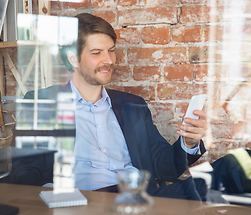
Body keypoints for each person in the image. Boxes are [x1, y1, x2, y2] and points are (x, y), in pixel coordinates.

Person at [24, 13, 208, 200]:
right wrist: (58, 195)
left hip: (143, 200)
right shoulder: (42, 103)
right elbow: (24, 174)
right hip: (85, 203)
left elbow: (164, 167)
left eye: (111, 50)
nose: (110, 60)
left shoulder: (133, 106)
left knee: (232, 167)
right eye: (96, 53)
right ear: (73, 59)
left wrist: (188, 143)